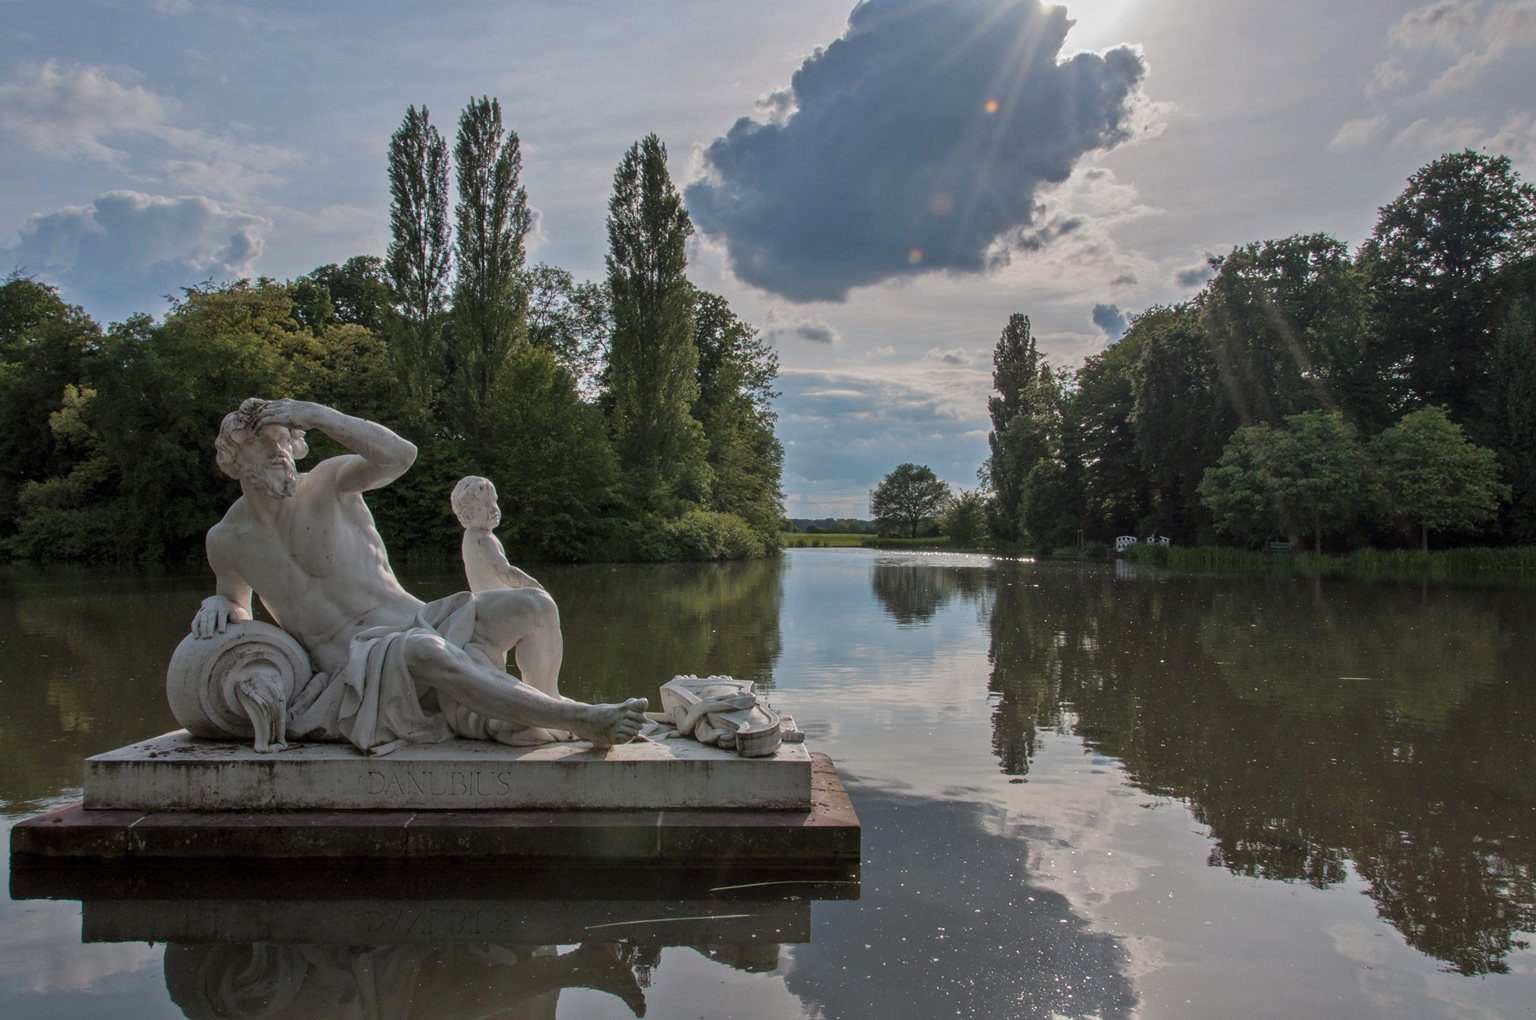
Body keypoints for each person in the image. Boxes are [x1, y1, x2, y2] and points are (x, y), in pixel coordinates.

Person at [191, 397, 646, 754]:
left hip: (422, 616)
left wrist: (315, 414)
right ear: (233, 457)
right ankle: (582, 721)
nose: (279, 453)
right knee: (425, 650)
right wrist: (221, 604)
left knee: (535, 605)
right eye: (263, 443)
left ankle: (542, 709)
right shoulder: (228, 541)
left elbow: (399, 455)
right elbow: (235, 602)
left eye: (283, 441)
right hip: (360, 661)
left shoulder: (328, 483)